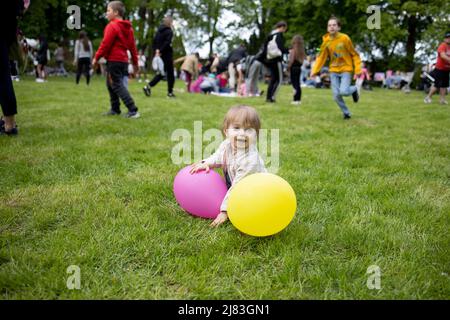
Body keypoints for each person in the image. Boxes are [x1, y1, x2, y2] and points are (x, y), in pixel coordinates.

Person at [189, 105, 267, 227]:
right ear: (226, 131)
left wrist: (225, 210)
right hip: (239, 186)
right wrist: (207, 163)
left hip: (256, 193)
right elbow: (219, 156)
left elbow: (238, 187)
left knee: (250, 212)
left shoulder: (250, 161)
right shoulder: (227, 144)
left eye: (248, 130)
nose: (242, 133)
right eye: (236, 128)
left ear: (256, 134)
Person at [92, 1, 140, 118]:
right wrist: (135, 63)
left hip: (114, 60)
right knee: (110, 84)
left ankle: (133, 110)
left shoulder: (112, 26)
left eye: (108, 11)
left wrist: (96, 57)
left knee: (117, 85)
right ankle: (115, 109)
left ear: (116, 12)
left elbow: (105, 44)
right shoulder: (129, 28)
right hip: (123, 61)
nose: (106, 13)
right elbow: (133, 47)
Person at [311, 16, 361, 119]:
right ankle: (347, 113)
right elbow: (321, 57)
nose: (331, 27)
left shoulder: (345, 38)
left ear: (339, 27)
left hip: (346, 69)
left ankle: (355, 89)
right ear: (327, 28)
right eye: (329, 25)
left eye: (334, 25)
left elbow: (354, 54)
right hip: (333, 70)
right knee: (336, 96)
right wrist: (314, 71)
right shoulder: (326, 41)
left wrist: (357, 70)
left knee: (344, 92)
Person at [1, 0, 27, 136]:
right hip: (9, 25)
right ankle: (7, 121)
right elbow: (22, 7)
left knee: (2, 76)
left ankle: (9, 125)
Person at [143, 16, 175, 98]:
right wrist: (160, 50)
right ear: (170, 22)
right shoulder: (169, 31)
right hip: (166, 54)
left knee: (161, 73)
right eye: (172, 22)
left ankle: (148, 87)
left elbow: (154, 42)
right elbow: (167, 43)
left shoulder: (159, 31)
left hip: (159, 55)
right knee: (170, 74)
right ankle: (170, 93)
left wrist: (156, 51)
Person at [257, 21, 289, 103]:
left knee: (273, 79)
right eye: (285, 28)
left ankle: (268, 97)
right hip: (276, 59)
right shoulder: (278, 35)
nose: (285, 30)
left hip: (270, 59)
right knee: (279, 79)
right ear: (282, 27)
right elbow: (281, 47)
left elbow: (265, 48)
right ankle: (272, 96)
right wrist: (288, 50)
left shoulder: (270, 35)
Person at [424, 31, 450, 105]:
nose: (449, 39)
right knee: (437, 85)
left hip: (447, 69)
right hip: (439, 69)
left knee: (444, 85)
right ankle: (428, 97)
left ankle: (442, 100)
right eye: (447, 38)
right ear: (445, 39)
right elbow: (443, 56)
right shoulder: (442, 45)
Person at [288, 35, 306, 105]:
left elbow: (291, 60)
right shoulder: (302, 51)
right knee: (298, 84)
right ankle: (298, 99)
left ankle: (295, 99)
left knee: (294, 85)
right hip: (299, 68)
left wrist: (288, 67)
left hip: (293, 68)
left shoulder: (293, 50)